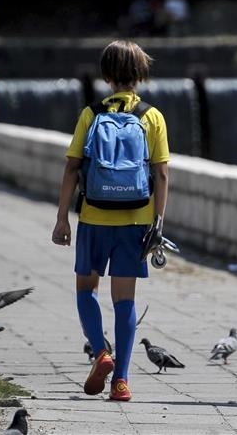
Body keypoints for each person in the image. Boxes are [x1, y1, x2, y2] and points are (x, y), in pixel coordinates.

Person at [51, 40, 170, 402]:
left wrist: (61, 219)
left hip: (94, 216)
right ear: (141, 75)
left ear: (106, 76)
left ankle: (100, 352)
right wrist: (158, 224)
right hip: (136, 220)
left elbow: (72, 166)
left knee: (86, 289)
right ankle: (121, 380)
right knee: (125, 299)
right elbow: (161, 175)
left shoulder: (91, 114)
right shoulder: (152, 116)